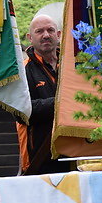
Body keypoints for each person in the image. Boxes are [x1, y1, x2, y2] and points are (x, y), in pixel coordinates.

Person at [16, 14, 70, 175]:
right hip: (40, 159)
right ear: (30, 38)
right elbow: (22, 111)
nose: (46, 35)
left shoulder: (73, 66)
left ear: (59, 35)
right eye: (39, 31)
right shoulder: (22, 71)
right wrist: (62, 103)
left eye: (50, 30)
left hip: (76, 153)